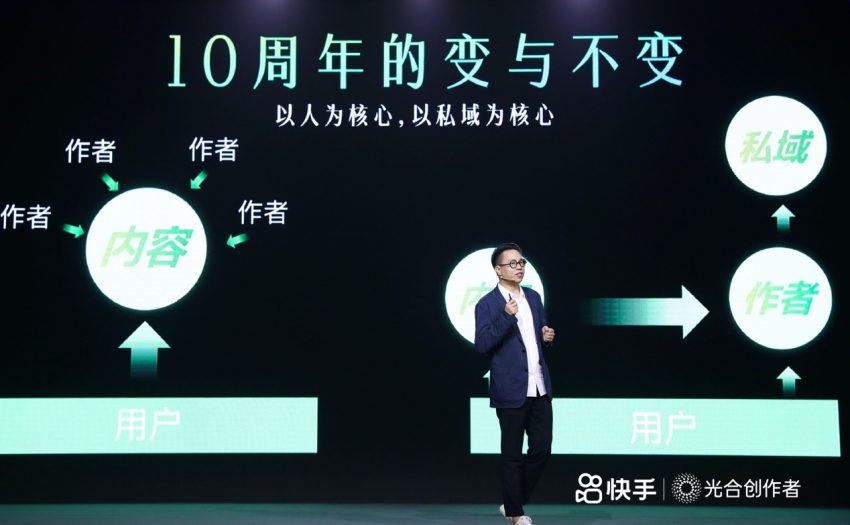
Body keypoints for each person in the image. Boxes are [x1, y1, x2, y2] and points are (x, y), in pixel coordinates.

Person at [474, 243, 555, 525]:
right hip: (510, 389)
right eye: (512, 263)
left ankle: (511, 501)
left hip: (539, 385)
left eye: (521, 262)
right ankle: (516, 514)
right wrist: (506, 316)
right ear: (498, 270)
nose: (519, 267)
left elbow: (536, 337)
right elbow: (483, 343)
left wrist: (546, 337)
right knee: (511, 455)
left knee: (542, 450)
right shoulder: (487, 304)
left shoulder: (533, 297)